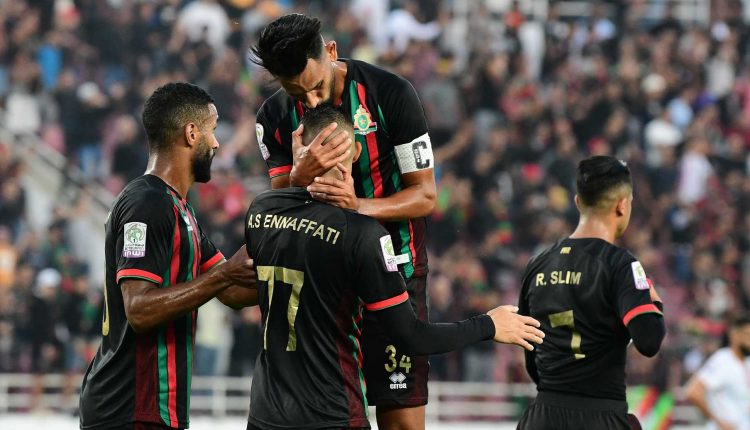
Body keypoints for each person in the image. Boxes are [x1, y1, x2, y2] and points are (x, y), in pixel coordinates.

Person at [244, 105, 545, 430]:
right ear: (356, 151)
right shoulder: (362, 235)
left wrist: (297, 178)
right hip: (331, 414)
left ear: (299, 150)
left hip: (264, 416)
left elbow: (291, 216)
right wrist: (488, 325)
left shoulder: (260, 212)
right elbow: (410, 337)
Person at [251, 14, 438, 429]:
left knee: (402, 422)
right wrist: (299, 176)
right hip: (322, 289)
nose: (312, 102)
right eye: (297, 92)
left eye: (317, 86)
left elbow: (425, 195)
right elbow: (281, 209)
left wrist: (358, 207)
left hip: (394, 273)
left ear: (331, 51)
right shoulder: (273, 117)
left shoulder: (391, 94)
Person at [79, 83, 257, 430]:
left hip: (152, 409)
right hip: (128, 406)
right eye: (212, 129)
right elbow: (139, 309)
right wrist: (222, 276)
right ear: (191, 133)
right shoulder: (147, 204)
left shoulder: (180, 209)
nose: (216, 143)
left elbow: (234, 291)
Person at [517, 156, 666, 430]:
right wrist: (654, 302)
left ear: (577, 201)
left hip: (542, 416)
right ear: (622, 205)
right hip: (599, 416)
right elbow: (649, 340)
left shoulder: (537, 264)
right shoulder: (620, 265)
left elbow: (530, 355)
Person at [685, 316, 750, 430]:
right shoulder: (723, 360)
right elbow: (693, 392)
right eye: (747, 334)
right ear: (734, 335)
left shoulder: (746, 362)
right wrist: (717, 421)